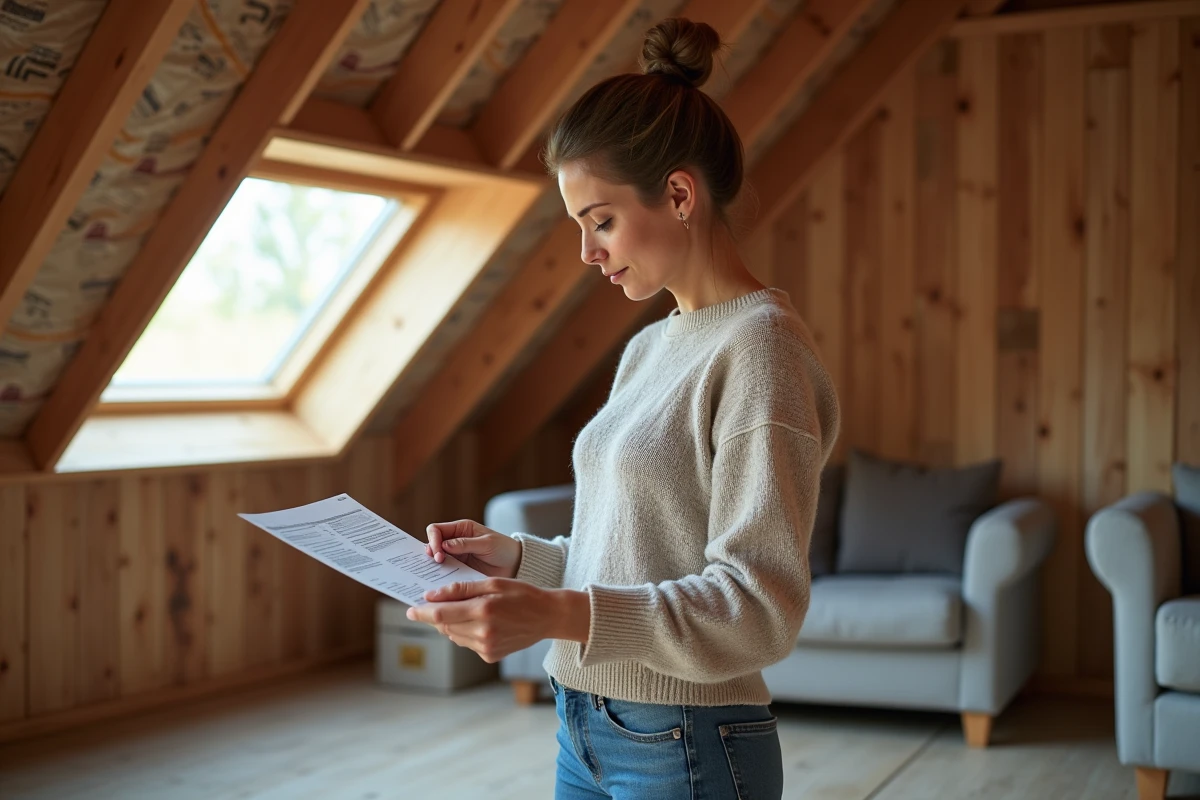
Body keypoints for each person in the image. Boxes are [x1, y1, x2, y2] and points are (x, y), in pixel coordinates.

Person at [407, 17, 840, 799]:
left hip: (687, 743)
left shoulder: (762, 350)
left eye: (600, 221)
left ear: (678, 194)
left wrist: (556, 615)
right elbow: (637, 552)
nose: (587, 253)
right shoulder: (649, 347)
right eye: (580, 227)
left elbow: (758, 609)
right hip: (583, 725)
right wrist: (517, 560)